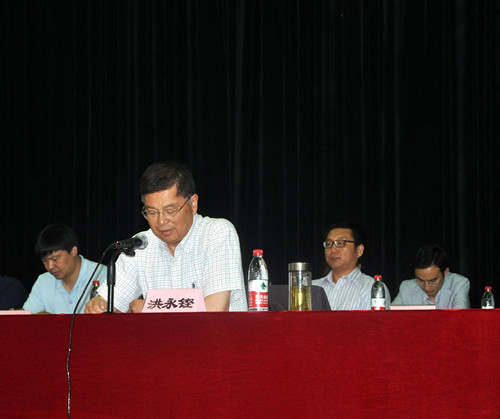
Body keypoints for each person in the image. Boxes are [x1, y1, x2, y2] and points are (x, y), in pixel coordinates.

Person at [85, 161, 247, 313]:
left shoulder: (216, 233)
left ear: (193, 203)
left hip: (216, 334)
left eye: (170, 211)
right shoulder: (141, 245)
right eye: (152, 212)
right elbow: (111, 304)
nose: (161, 221)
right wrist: (100, 306)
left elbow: (215, 309)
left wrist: (149, 308)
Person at [23, 224, 107, 314]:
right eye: (44, 261)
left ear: (73, 251)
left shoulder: (103, 274)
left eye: (55, 259)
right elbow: (28, 316)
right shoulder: (43, 281)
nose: (50, 266)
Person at [312, 221, 391, 310]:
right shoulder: (311, 288)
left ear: (359, 251)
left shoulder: (372, 288)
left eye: (340, 243)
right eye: (328, 244)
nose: (333, 249)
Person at [392, 244, 470, 308]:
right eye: (420, 280)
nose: (427, 287)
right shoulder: (406, 288)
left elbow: (460, 318)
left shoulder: (458, 284)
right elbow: (392, 316)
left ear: (445, 272)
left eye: (432, 281)